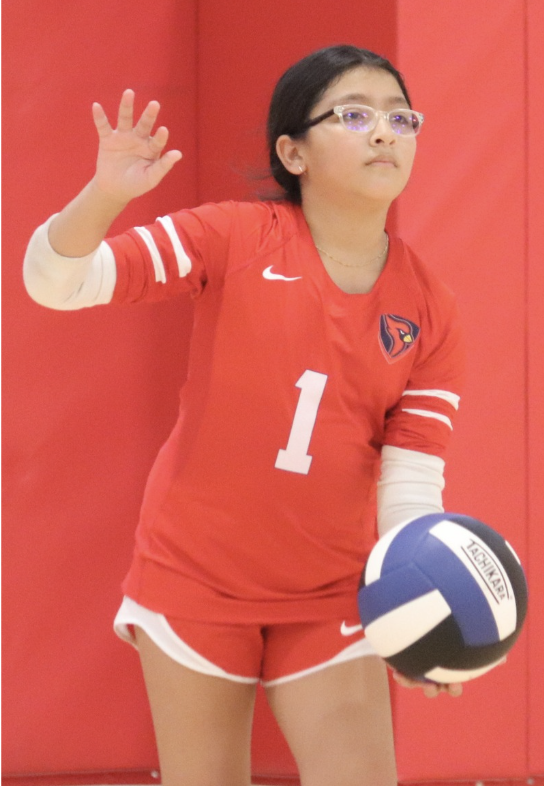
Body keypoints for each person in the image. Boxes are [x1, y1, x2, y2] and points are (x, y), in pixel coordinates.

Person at [23, 44, 465, 786]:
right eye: (354, 115)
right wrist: (103, 194)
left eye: (400, 116)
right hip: (195, 581)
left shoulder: (431, 308)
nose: (384, 132)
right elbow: (57, 284)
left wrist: (420, 616)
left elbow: (411, 486)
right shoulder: (231, 237)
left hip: (329, 592)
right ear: (292, 151)